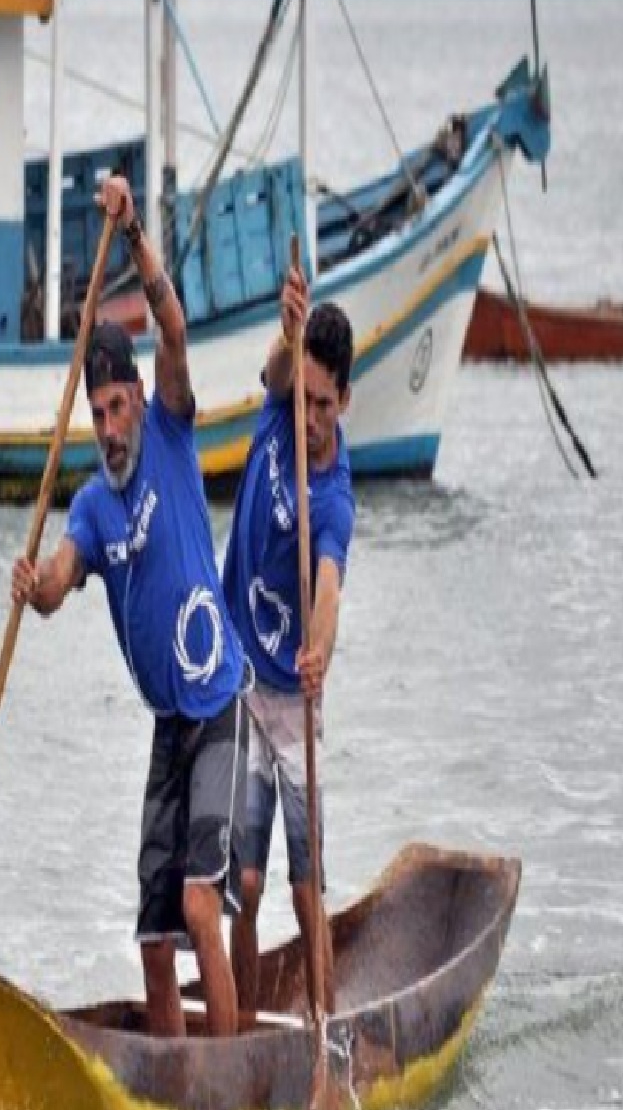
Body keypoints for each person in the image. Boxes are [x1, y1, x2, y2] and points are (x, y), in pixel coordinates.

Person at [10, 175, 249, 1039]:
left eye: (118, 408)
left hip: (220, 705)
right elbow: (57, 584)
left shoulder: (175, 430)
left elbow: (173, 326)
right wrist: (30, 582)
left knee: (195, 907)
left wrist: (137, 232)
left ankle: (229, 1081)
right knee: (151, 937)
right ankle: (176, 1082)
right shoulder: (90, 506)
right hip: (167, 727)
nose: (109, 428)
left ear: (139, 402)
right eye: (97, 414)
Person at [222, 261, 355, 1019]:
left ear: (343, 402)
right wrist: (286, 328)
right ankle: (239, 1030)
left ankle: (327, 1036)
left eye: (321, 406)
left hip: (290, 701)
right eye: (301, 399)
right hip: (238, 681)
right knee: (242, 882)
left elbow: (329, 584)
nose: (306, 419)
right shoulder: (278, 400)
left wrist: (319, 653)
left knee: (306, 889)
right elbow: (275, 366)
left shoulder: (335, 497)